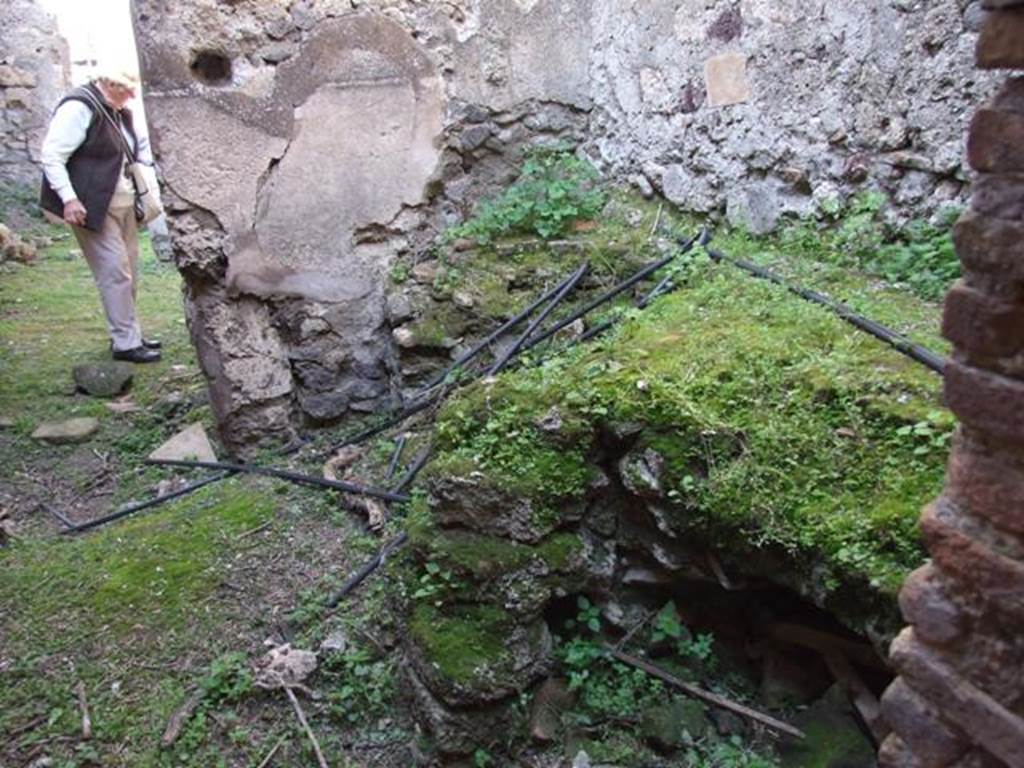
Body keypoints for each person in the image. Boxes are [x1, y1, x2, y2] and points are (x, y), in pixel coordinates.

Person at [39, 64, 161, 363]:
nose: (132, 95)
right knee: (114, 271)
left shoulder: (118, 111)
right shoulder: (79, 107)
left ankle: (129, 333)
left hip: (123, 201)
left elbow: (138, 150)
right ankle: (125, 343)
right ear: (110, 82)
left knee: (129, 270)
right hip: (91, 206)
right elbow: (52, 156)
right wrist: (69, 199)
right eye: (127, 88)